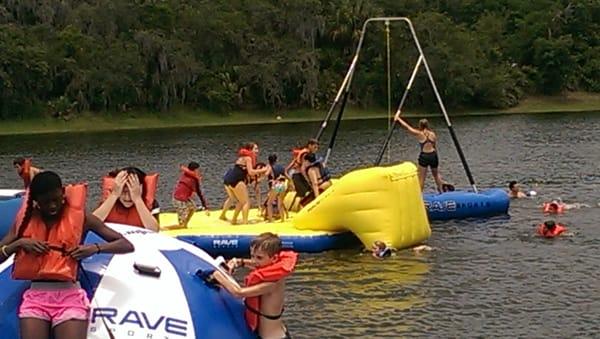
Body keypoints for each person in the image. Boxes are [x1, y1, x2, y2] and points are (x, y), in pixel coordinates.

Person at [0, 171, 134, 339]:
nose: (52, 206)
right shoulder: (25, 221)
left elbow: (126, 244)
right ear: (36, 201)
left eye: (56, 200)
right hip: (36, 297)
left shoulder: (82, 218)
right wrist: (19, 244)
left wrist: (94, 248)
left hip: (70, 296)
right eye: (46, 202)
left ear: (63, 193)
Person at [210, 233, 296, 339]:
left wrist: (217, 274)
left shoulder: (272, 283)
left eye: (259, 257)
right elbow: (258, 264)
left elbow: (238, 293)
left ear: (274, 258)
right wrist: (239, 262)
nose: (254, 261)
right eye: (252, 256)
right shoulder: (272, 267)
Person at [93, 167, 160, 231]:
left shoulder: (151, 203)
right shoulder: (108, 201)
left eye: (131, 192)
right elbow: (92, 224)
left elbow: (154, 229)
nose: (127, 197)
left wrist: (137, 199)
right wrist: (114, 194)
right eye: (123, 192)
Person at [220, 143, 269, 225]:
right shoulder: (248, 158)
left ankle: (233, 220)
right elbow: (251, 172)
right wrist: (263, 170)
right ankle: (245, 222)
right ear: (250, 150)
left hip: (229, 178)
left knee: (239, 201)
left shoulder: (242, 158)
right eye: (255, 149)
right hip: (237, 180)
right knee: (246, 202)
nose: (257, 151)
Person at [394, 114, 445, 192]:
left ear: (420, 125)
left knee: (421, 178)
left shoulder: (419, 134)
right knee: (436, 175)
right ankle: (441, 191)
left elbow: (407, 127)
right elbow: (435, 147)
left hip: (425, 156)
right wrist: (436, 156)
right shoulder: (433, 134)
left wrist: (398, 119)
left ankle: (420, 195)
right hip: (433, 155)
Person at [172, 162, 209, 228]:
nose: (199, 171)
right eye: (198, 169)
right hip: (179, 200)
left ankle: (185, 224)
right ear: (195, 170)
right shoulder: (194, 179)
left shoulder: (185, 174)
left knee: (193, 207)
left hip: (182, 198)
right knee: (181, 225)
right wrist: (205, 207)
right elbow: (199, 193)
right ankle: (163, 229)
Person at [265, 154, 288, 222]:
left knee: (269, 203)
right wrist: (291, 183)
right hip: (282, 185)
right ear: (276, 159)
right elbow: (287, 176)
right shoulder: (281, 167)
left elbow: (266, 174)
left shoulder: (270, 167)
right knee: (280, 203)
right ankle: (282, 219)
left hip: (276, 185)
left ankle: (271, 219)